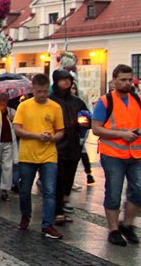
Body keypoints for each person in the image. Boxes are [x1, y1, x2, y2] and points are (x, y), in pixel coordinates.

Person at [92, 64, 141, 247]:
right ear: (114, 80)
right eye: (122, 80)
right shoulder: (105, 101)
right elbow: (96, 128)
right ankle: (113, 229)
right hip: (113, 154)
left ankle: (127, 224)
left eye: (129, 80)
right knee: (113, 192)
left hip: (137, 153)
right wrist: (122, 135)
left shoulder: (138, 100)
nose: (127, 83)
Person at [13, 73, 65, 239]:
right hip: (28, 155)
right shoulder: (24, 106)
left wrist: (52, 138)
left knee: (50, 190)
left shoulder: (55, 107)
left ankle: (47, 224)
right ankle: (25, 215)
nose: (42, 95)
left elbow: (60, 131)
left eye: (44, 91)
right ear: (32, 90)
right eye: (38, 92)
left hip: (48, 155)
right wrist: (36, 136)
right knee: (25, 189)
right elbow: (18, 129)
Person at [50, 70, 88, 223]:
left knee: (69, 178)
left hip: (73, 145)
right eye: (62, 80)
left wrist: (84, 123)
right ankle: (57, 210)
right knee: (58, 178)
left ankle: (64, 202)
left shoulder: (77, 102)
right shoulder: (50, 100)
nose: (66, 83)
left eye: (68, 80)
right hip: (56, 146)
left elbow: (86, 118)